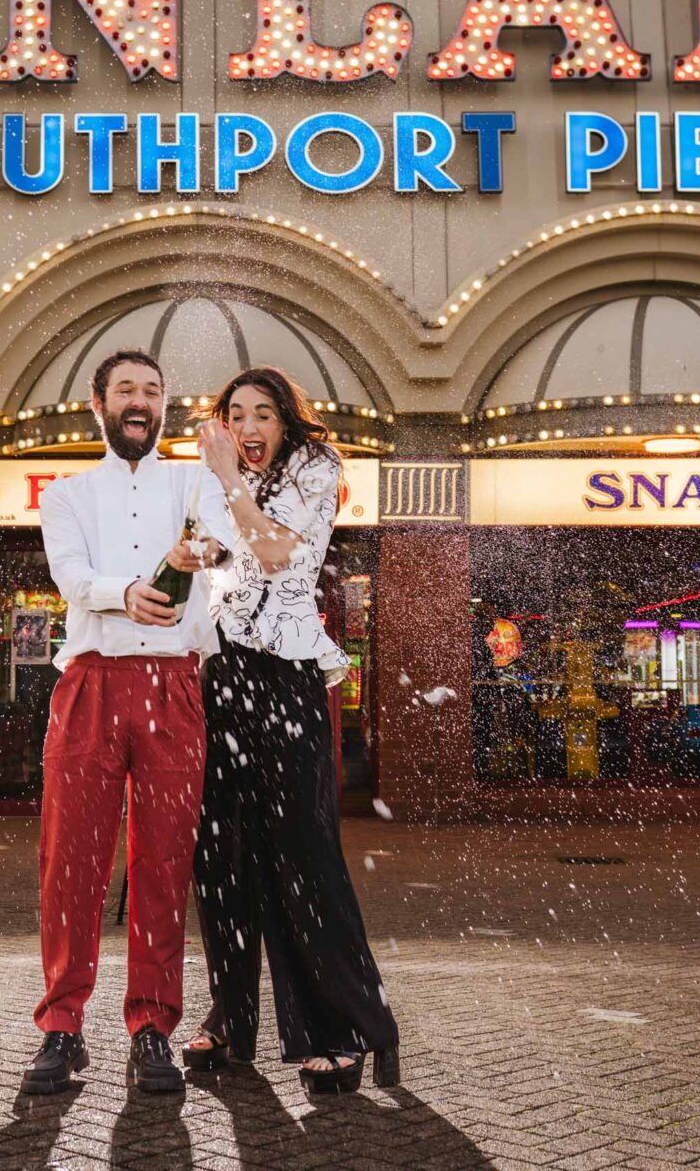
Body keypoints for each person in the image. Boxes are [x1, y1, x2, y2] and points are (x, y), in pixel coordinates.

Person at [184, 366, 400, 1094]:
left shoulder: (316, 467)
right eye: (235, 413)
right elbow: (219, 560)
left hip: (287, 677)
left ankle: (338, 1027)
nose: (249, 427)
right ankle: (231, 1015)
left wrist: (228, 484)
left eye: (263, 414)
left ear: (285, 421)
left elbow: (279, 554)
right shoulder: (217, 481)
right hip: (224, 674)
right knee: (221, 854)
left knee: (302, 854)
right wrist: (192, 553)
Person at [22, 348, 229, 1097]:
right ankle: (61, 1026)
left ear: (165, 404)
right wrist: (126, 590)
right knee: (69, 861)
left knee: (163, 864)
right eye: (125, 391)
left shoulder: (194, 481)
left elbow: (220, 544)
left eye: (152, 390)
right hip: (91, 685)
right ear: (97, 401)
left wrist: (192, 547)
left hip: (174, 684)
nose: (139, 402)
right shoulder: (67, 493)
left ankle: (151, 1027)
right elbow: (71, 576)